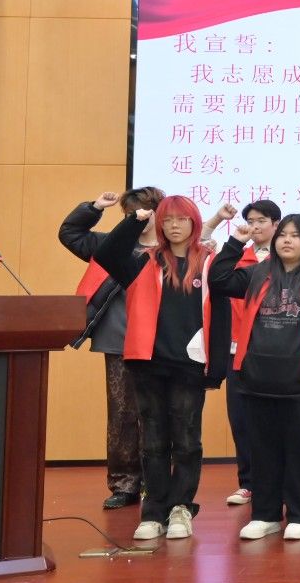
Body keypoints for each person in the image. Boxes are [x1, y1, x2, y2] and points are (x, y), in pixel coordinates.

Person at [96, 198, 231, 543]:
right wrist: (134, 220)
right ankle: (153, 511)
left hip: (190, 365)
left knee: (186, 440)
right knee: (153, 441)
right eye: (167, 220)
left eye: (181, 219)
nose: (174, 226)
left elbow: (222, 316)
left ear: (194, 223)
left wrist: (217, 367)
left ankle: (181, 507)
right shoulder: (144, 261)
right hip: (148, 363)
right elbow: (107, 254)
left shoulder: (209, 262)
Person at [209, 215, 300, 541]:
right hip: (257, 379)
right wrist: (235, 242)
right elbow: (219, 280)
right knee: (262, 452)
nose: (287, 240)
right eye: (283, 235)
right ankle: (265, 515)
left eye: (295, 236)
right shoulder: (259, 272)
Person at [59, 186, 164, 510]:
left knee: (158, 415)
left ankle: (157, 484)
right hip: (118, 340)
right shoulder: (112, 245)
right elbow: (70, 234)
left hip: (161, 343)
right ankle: (124, 483)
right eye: (131, 212)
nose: (139, 216)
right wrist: (94, 207)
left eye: (145, 210)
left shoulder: (172, 250)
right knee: (122, 415)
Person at [223, 199, 282, 508]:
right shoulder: (238, 258)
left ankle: (278, 482)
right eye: (251, 221)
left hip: (275, 352)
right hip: (237, 350)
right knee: (241, 419)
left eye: (261, 221)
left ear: (276, 224)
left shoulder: (287, 259)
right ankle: (248, 483)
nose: (255, 226)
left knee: (274, 421)